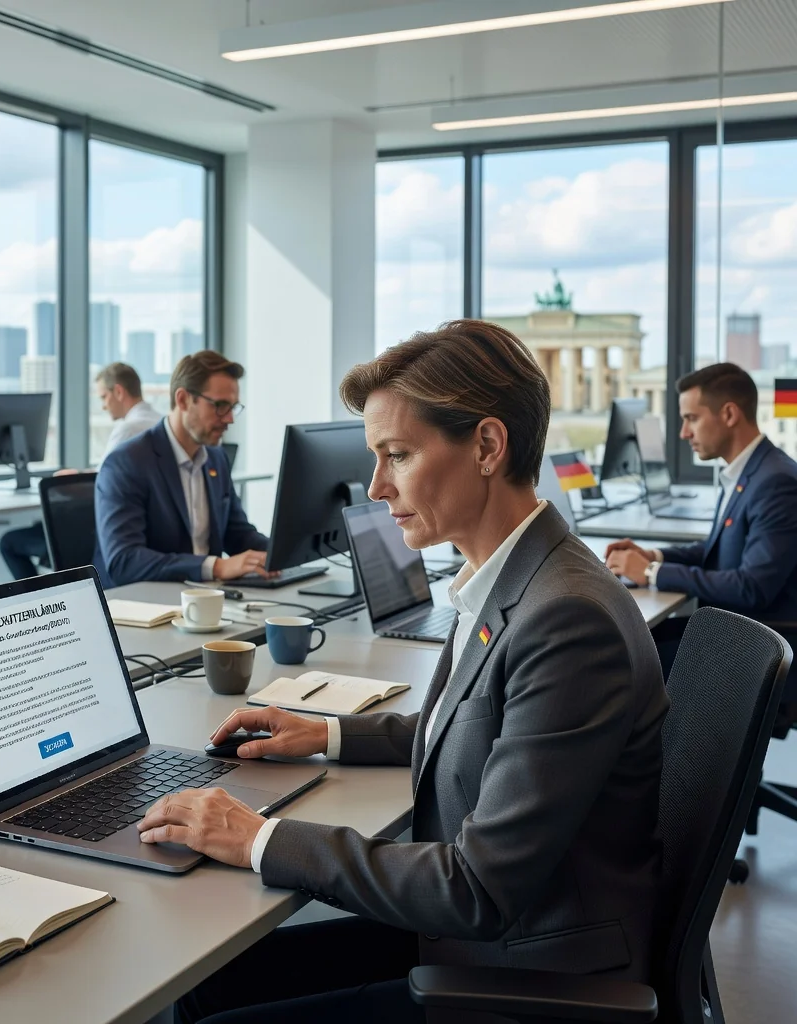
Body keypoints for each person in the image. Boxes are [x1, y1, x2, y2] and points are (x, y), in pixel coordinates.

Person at [135, 321, 669, 1024]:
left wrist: (257, 837)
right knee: (207, 984)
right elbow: (483, 725)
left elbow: (474, 888)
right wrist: (326, 733)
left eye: (399, 455)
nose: (378, 487)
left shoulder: (567, 619)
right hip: (492, 940)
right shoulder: (518, 577)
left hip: (524, 974)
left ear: (486, 446)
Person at [606, 362, 797, 677]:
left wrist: (652, 572)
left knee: (622, 654)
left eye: (691, 419)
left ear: (729, 414)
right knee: (631, 639)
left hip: (761, 646)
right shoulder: (749, 471)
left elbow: (751, 587)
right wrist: (654, 556)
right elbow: (720, 549)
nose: (683, 433)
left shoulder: (776, 482)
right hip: (741, 630)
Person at [94, 350, 269, 587]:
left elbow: (237, 534)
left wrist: (283, 553)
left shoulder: (215, 458)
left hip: (204, 600)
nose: (229, 419)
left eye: (233, 407)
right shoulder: (127, 463)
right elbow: (124, 561)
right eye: (220, 406)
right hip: (145, 606)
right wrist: (216, 567)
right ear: (183, 400)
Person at [0, 362, 161, 580]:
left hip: (103, 534)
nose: (103, 406)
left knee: (8, 542)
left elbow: (106, 484)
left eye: (103, 397)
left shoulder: (129, 429)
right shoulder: (159, 422)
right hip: (142, 528)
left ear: (119, 392)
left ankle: (39, 602)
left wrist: (74, 481)